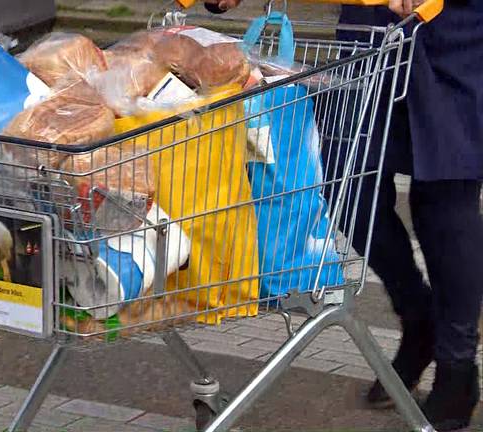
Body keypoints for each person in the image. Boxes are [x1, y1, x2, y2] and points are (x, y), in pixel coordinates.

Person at [203, 0, 482, 429]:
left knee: (445, 193)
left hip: (452, 33)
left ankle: (457, 366)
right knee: (348, 184)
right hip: (372, 34)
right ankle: (417, 315)